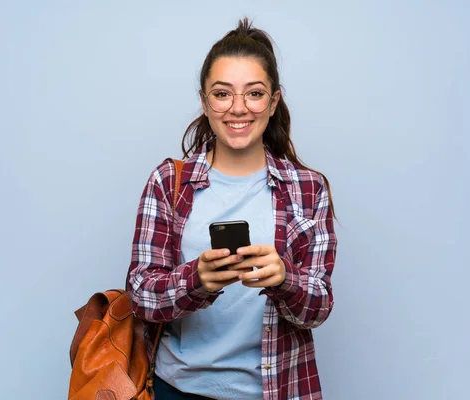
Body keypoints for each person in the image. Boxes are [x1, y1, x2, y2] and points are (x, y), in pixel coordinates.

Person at [127, 17, 337, 400]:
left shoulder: (309, 189)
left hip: (274, 391)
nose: (238, 108)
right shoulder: (168, 182)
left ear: (273, 102)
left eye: (254, 93)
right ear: (206, 103)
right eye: (223, 94)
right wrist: (196, 280)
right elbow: (141, 296)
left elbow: (318, 308)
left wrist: (284, 278)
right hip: (177, 390)